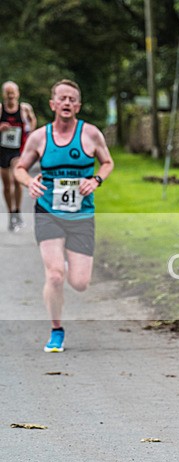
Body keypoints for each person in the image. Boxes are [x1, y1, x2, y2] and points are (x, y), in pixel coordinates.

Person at [15, 79, 114, 353]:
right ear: (53, 104)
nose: (67, 102)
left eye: (72, 99)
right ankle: (56, 330)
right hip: (49, 212)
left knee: (80, 283)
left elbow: (108, 162)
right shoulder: (40, 137)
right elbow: (20, 168)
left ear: (78, 106)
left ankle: (68, 265)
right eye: (62, 98)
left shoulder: (91, 134)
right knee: (55, 276)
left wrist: (95, 180)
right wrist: (29, 182)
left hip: (82, 215)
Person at [1, 81, 36, 231]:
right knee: (6, 185)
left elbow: (32, 121)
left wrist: (29, 135)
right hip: (2, 150)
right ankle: (11, 214)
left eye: (12, 93)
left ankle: (17, 211)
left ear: (18, 93)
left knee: (17, 180)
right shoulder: (0, 109)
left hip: (18, 150)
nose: (10, 96)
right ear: (4, 94)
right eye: (8, 93)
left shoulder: (24, 109)